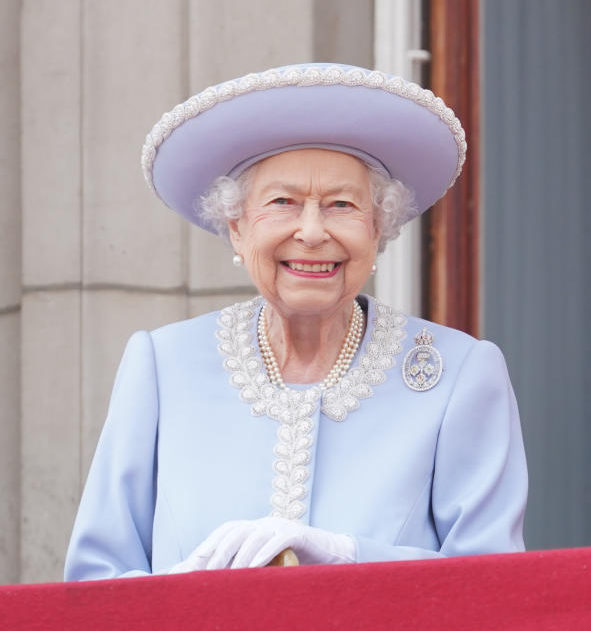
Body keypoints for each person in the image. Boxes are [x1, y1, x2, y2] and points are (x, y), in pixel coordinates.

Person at [64, 63, 528, 580]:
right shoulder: (161, 366)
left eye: (341, 205)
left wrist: (347, 557)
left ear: (379, 229)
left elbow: (494, 585)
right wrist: (180, 592)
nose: (311, 232)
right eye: (282, 202)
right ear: (236, 228)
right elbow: (93, 581)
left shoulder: (460, 375)